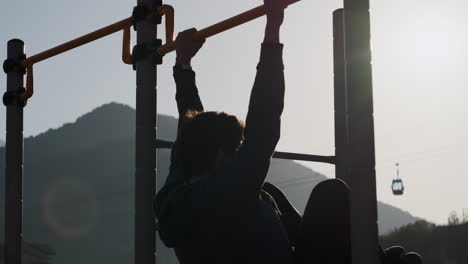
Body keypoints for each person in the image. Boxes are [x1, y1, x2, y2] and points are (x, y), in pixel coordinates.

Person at [154, 0, 292, 263]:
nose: (241, 153)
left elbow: (191, 123)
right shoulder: (230, 190)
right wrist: (272, 29)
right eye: (237, 148)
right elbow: (264, 121)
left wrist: (183, 65)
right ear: (220, 155)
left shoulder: (175, 192)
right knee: (332, 193)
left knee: (268, 193)